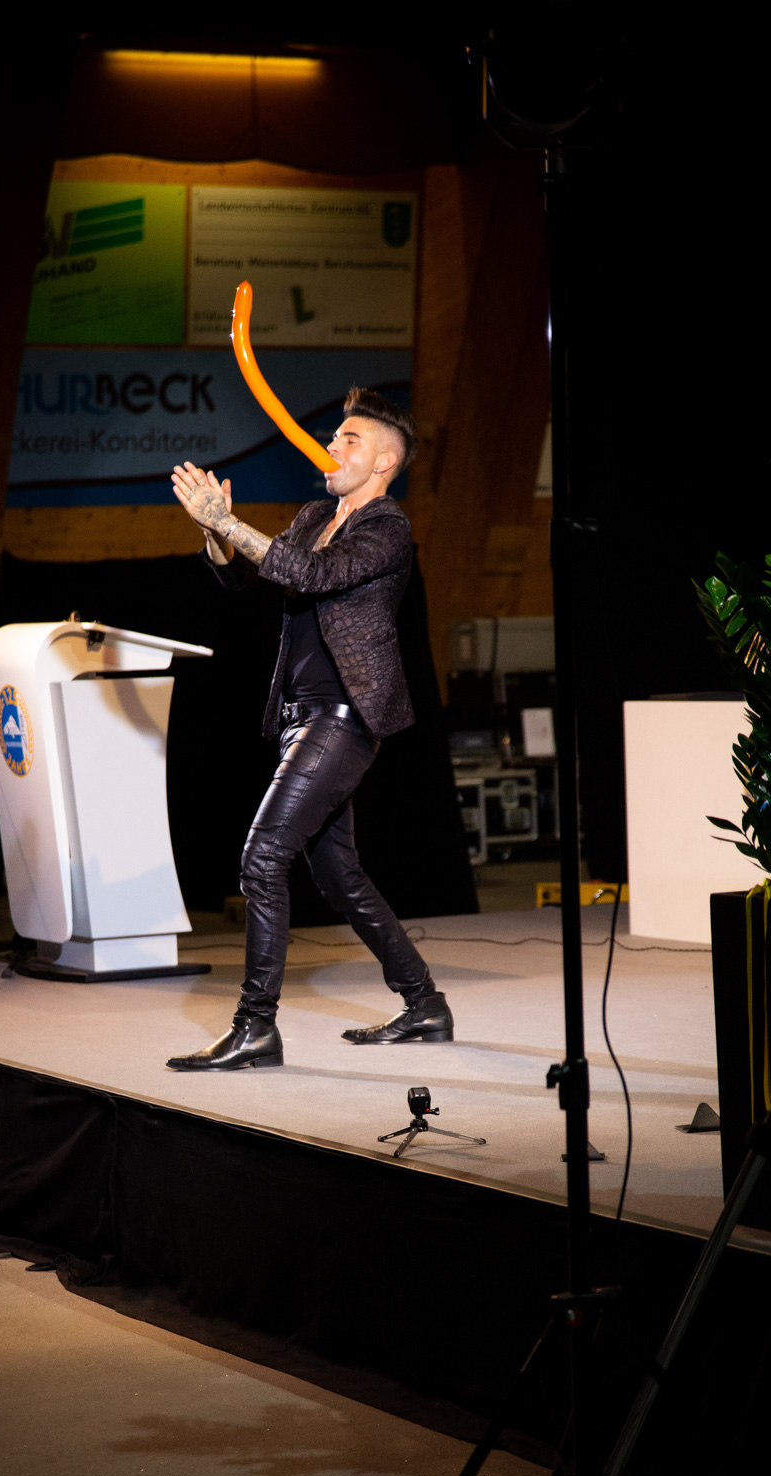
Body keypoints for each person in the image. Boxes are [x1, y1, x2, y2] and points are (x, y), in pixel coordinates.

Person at [165, 387, 453, 1071]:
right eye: (334, 437)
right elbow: (247, 581)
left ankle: (255, 1027)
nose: (331, 447)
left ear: (384, 461)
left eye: (350, 440)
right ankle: (425, 1004)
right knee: (339, 875)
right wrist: (215, 530)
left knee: (263, 857)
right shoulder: (315, 515)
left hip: (343, 716)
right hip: (301, 716)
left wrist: (230, 523)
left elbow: (311, 574)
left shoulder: (387, 528)